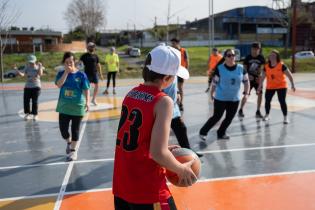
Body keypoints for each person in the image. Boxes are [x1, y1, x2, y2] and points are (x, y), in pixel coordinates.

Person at [113, 45, 196, 210]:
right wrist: (181, 169)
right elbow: (159, 153)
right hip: (147, 189)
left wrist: (162, 147)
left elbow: (140, 138)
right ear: (167, 78)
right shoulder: (163, 101)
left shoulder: (131, 94)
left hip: (122, 185)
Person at [199, 49, 250, 140]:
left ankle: (221, 132)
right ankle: (203, 132)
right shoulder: (220, 69)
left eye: (233, 55)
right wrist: (212, 93)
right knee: (217, 117)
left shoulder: (241, 68)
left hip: (234, 99)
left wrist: (246, 93)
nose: (231, 57)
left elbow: (246, 82)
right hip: (221, 98)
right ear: (225, 57)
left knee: (229, 118)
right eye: (229, 55)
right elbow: (214, 83)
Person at [55, 52, 90, 161]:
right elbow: (59, 85)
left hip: (77, 107)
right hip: (64, 107)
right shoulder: (61, 73)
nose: (69, 64)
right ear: (64, 63)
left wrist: (88, 102)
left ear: (74, 61)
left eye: (71, 62)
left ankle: (73, 151)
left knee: (75, 130)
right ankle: (69, 142)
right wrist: (66, 72)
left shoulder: (81, 75)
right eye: (67, 62)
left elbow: (86, 89)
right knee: (63, 130)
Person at [163, 77, 203, 158]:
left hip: (173, 108)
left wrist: (177, 92)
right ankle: (161, 155)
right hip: (163, 107)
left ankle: (188, 151)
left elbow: (173, 85)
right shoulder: (164, 71)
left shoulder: (174, 72)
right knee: (162, 134)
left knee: (181, 128)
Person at [258, 50, 296, 124]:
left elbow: (289, 75)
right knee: (267, 101)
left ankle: (285, 117)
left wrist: (292, 84)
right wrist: (260, 86)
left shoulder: (281, 66)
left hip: (281, 86)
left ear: (277, 57)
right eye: (271, 55)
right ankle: (267, 115)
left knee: (282, 101)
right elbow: (263, 77)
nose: (272, 57)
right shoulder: (266, 66)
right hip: (270, 86)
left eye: (274, 56)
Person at [238, 42, 266, 118]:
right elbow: (244, 69)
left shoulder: (261, 58)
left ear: (259, 50)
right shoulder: (248, 57)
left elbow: (264, 69)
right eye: (254, 49)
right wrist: (248, 76)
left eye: (257, 49)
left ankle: (258, 111)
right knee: (246, 94)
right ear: (251, 49)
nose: (255, 51)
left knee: (260, 94)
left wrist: (260, 77)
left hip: (257, 79)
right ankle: (241, 110)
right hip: (249, 79)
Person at [16, 55, 44, 121]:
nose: (31, 63)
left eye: (32, 62)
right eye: (30, 62)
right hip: (27, 86)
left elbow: (40, 74)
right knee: (26, 100)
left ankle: (35, 115)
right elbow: (22, 74)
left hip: (36, 87)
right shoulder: (27, 67)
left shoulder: (38, 67)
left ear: (35, 61)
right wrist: (17, 71)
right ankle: (27, 114)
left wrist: (40, 67)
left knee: (34, 101)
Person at [171, 38, 189, 111]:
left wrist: (186, 70)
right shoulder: (172, 50)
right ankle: (174, 103)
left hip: (181, 72)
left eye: (173, 43)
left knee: (180, 87)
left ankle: (181, 103)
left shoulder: (183, 51)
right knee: (173, 87)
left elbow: (187, 61)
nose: (172, 45)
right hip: (173, 72)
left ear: (177, 43)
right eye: (172, 43)